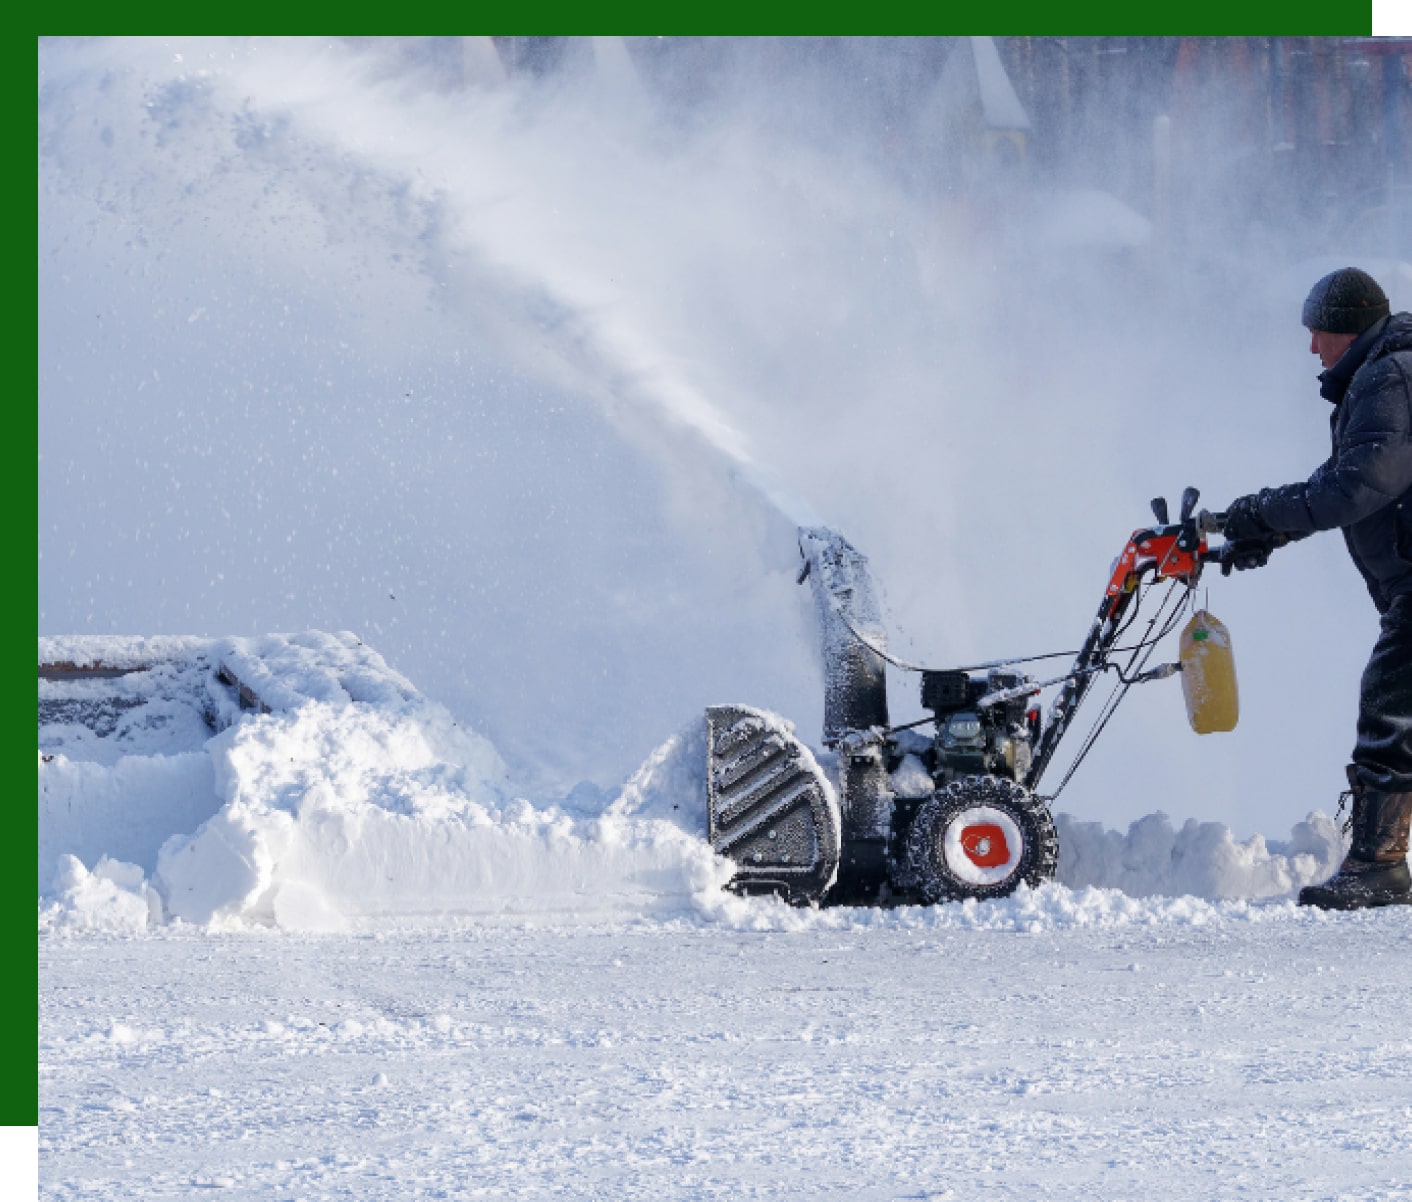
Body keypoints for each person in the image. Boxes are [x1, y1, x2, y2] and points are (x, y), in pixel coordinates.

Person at [1221, 266, 1412, 910]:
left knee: (1390, 706)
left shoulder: (1389, 377)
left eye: (1319, 332)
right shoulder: (1381, 373)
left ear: (1349, 328)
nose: (1312, 348)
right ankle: (1380, 860)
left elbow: (1354, 488)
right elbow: (1345, 485)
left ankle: (1379, 866)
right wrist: (1263, 532)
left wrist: (1258, 513)